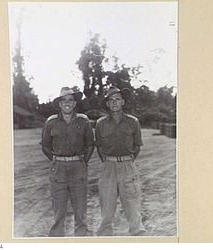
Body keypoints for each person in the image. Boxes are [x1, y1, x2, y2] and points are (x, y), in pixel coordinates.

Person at [41, 87, 94, 237]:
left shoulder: (83, 121)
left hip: (78, 167)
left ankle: (81, 241)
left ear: (75, 103)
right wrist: (56, 160)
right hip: (59, 169)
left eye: (70, 100)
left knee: (80, 210)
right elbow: (45, 145)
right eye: (64, 100)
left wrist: (84, 162)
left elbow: (90, 144)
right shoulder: (51, 122)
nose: (67, 103)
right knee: (59, 210)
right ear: (59, 104)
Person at [95, 86, 146, 236]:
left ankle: (137, 235)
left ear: (123, 102)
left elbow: (137, 146)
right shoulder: (100, 123)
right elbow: (99, 147)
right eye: (111, 100)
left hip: (127, 166)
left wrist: (126, 161)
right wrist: (109, 161)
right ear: (107, 104)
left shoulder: (133, 122)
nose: (114, 102)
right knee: (107, 206)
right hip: (108, 167)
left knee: (132, 204)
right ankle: (105, 237)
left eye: (117, 99)